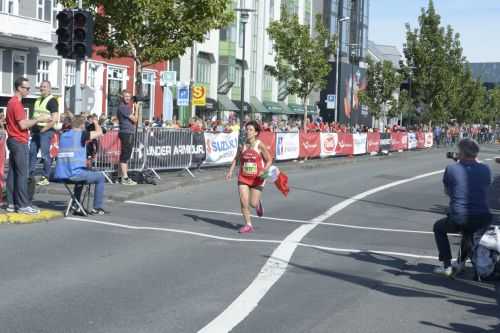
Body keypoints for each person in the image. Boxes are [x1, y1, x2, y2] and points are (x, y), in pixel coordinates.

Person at [433, 138, 492, 277]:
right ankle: (460, 263)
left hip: (461, 216)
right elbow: (484, 186)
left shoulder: (452, 168)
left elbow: (448, 191)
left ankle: (447, 266)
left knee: (439, 228)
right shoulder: (485, 168)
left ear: (461, 152)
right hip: (484, 216)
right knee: (468, 233)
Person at [5, 77, 51, 214]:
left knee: (13, 173)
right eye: (26, 88)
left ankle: (12, 204)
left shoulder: (11, 102)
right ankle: (23, 205)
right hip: (19, 141)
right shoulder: (16, 104)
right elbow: (23, 124)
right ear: (19, 88)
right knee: (22, 174)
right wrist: (38, 119)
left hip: (14, 140)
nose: (28, 90)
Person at [54, 115, 108, 215]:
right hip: (74, 174)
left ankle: (76, 204)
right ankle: (97, 207)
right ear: (82, 125)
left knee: (83, 175)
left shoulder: (64, 135)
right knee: (100, 177)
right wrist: (96, 122)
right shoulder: (81, 135)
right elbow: (100, 132)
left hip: (61, 174)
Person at [226, 121, 272, 234]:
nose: (248, 131)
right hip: (243, 177)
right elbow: (236, 158)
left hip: (258, 177)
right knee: (243, 201)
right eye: (247, 129)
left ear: (256, 132)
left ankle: (257, 204)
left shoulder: (259, 145)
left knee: (253, 203)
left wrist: (265, 171)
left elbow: (269, 160)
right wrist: (230, 171)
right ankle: (248, 224)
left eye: (251, 130)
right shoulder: (242, 144)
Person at [29, 80, 59, 186]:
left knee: (45, 155)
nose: (42, 88)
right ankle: (29, 175)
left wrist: (44, 129)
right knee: (32, 153)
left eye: (45, 87)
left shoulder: (52, 101)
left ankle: (45, 177)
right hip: (36, 131)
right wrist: (32, 129)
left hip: (46, 132)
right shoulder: (37, 100)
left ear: (49, 88)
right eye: (41, 86)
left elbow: (55, 119)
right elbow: (35, 116)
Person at [116, 90, 137, 185]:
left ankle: (120, 177)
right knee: (125, 156)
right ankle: (125, 178)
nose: (128, 98)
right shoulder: (123, 108)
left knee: (124, 156)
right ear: (122, 97)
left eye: (129, 96)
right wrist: (136, 109)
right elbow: (135, 119)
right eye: (126, 96)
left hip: (126, 132)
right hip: (126, 133)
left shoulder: (125, 107)